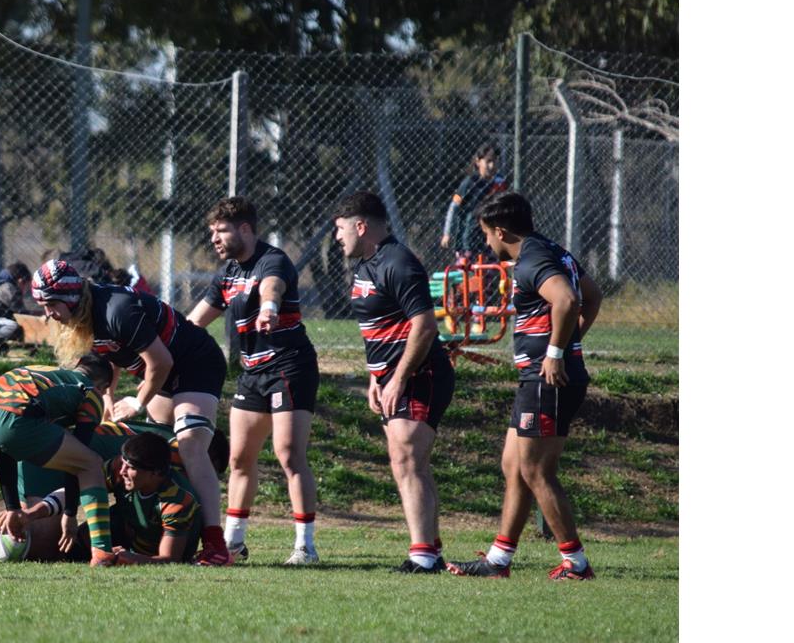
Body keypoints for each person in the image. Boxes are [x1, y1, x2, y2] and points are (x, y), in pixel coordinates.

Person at [31, 259, 232, 566]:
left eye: (51, 304)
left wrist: (137, 402)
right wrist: (109, 398)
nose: (48, 314)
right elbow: (110, 353)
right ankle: (162, 532)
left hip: (195, 364)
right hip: (164, 373)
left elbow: (160, 362)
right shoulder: (88, 311)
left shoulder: (116, 309)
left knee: (191, 445)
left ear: (70, 297)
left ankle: (216, 545)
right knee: (159, 450)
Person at [446, 192, 603, 581]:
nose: (486, 243)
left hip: (547, 377)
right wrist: (568, 343)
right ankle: (498, 561)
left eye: (487, 235)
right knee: (513, 464)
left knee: (535, 470)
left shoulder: (533, 259)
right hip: (538, 376)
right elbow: (593, 294)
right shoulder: (550, 250)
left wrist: (555, 352)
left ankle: (576, 564)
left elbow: (567, 299)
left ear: (501, 231)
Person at [188, 197, 321, 565]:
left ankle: (305, 546)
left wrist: (269, 309)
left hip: (290, 366)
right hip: (253, 372)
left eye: (221, 231)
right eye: (211, 232)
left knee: (289, 455)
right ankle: (233, 542)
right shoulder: (227, 273)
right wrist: (166, 338)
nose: (214, 239)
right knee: (239, 458)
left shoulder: (272, 259)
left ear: (244, 229)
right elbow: (195, 321)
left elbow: (272, 287)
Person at [334, 191, 455, 573]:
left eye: (339, 230)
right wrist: (376, 376)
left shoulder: (398, 262)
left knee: (407, 456)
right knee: (407, 460)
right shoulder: (366, 265)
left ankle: (422, 555)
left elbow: (424, 326)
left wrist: (398, 378)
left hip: (421, 374)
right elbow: (380, 328)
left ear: (360, 226)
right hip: (392, 378)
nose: (337, 238)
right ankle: (429, 551)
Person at [0, 356, 120, 566]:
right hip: (9, 417)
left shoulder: (45, 371)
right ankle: (102, 552)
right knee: (90, 463)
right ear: (104, 386)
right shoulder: (91, 392)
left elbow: (7, 448)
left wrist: (12, 507)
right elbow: (79, 460)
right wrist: (70, 513)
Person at [14, 431, 202, 565]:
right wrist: (31, 514)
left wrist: (133, 558)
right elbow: (74, 492)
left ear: (156, 473)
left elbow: (170, 560)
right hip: (126, 531)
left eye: (131, 468)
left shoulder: (177, 501)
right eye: (124, 463)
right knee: (77, 540)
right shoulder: (119, 468)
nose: (123, 471)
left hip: (152, 551)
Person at [439, 143, 508, 263]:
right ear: (478, 161)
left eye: (495, 162)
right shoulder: (468, 183)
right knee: (467, 275)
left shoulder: (500, 184)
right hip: (468, 241)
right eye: (488, 161)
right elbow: (453, 207)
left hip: (491, 242)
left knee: (491, 275)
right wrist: (447, 233)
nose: (492, 166)